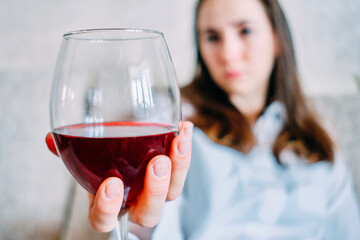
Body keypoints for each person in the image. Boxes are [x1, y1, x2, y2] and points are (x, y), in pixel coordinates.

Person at [47, 0, 360, 239]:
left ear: (278, 39)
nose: (228, 53)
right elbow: (144, 221)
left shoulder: (318, 142)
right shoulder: (172, 124)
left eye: (245, 31)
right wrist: (134, 219)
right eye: (212, 37)